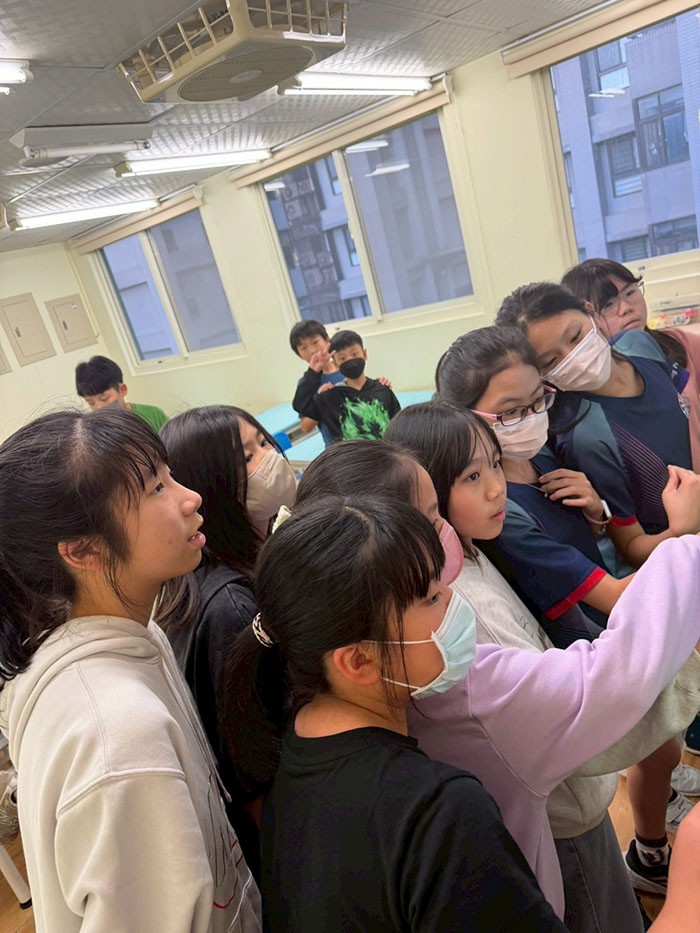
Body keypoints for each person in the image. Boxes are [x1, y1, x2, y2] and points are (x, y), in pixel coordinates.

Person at [292, 438, 700, 922]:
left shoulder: (327, 718)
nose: (494, 489)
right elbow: (606, 682)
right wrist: (685, 546)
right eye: (431, 597)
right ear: (356, 660)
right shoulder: (451, 704)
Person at [224, 493, 568, 932]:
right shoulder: (440, 813)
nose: (453, 599)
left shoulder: (296, 748)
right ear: (359, 661)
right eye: (430, 596)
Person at [0, 409, 260, 933]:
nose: (191, 497)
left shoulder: (133, 634)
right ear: (83, 550)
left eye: (169, 475)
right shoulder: (118, 734)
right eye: (155, 488)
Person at [155, 405, 297, 878]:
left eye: (263, 443)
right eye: (246, 459)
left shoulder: (211, 573)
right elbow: (253, 767)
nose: (269, 460)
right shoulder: (233, 607)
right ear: (208, 486)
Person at [496, 283, 695, 567]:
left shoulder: (639, 344)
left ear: (590, 311)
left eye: (575, 336)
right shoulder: (587, 438)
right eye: (551, 360)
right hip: (683, 554)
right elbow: (631, 547)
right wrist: (681, 529)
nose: (573, 357)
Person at [562, 258, 700, 471]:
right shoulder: (590, 396)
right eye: (608, 304)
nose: (626, 308)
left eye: (630, 292)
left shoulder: (680, 342)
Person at [293, 329, 400, 441]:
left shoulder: (382, 389)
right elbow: (301, 405)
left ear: (364, 354)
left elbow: (400, 427)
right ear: (335, 363)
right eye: (342, 358)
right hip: (348, 453)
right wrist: (313, 372)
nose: (350, 360)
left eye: (354, 354)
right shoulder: (331, 398)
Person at [75, 354, 168, 431]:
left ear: (122, 389)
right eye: (91, 402)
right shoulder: (93, 432)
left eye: (104, 398)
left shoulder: (154, 415)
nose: (99, 407)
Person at [289, 320, 346, 446]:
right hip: (337, 448)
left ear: (327, 341)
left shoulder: (346, 368)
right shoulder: (307, 384)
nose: (312, 351)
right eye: (303, 348)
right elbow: (305, 427)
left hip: (363, 440)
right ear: (299, 355)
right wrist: (322, 402)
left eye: (315, 342)